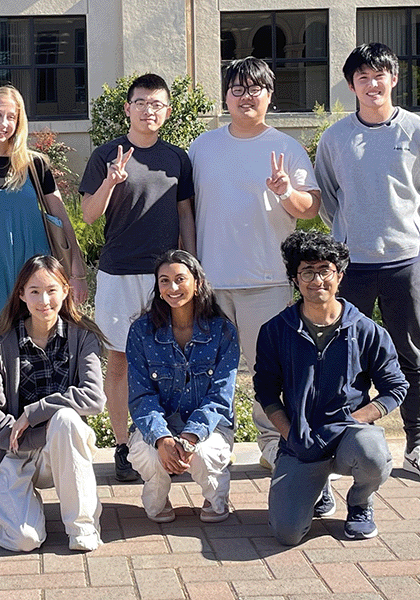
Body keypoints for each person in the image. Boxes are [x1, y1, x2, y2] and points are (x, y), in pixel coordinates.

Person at [189, 57, 321, 470]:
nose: (246, 97)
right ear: (226, 96)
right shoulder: (202, 147)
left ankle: (272, 442)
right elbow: (186, 209)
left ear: (270, 95)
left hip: (267, 278)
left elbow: (311, 208)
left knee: (272, 370)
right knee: (210, 372)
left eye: (255, 89)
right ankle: (215, 443)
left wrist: (286, 192)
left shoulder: (286, 146)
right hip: (211, 280)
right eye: (238, 89)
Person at [255, 230, 407, 545]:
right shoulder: (275, 331)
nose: (317, 279)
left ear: (339, 275)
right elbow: (266, 390)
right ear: (295, 279)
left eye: (325, 269)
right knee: (286, 533)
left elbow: (395, 387)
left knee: (373, 453)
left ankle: (361, 502)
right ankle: (317, 487)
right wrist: (289, 434)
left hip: (349, 436)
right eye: (307, 271)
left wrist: (357, 420)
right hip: (301, 440)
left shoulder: (367, 331)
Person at [80, 73, 196, 482]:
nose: (150, 110)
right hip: (118, 273)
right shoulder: (105, 155)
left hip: (166, 278)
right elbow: (88, 215)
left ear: (167, 111)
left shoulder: (178, 158)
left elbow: (185, 215)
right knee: (120, 363)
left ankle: (166, 441)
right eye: (142, 102)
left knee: (170, 360)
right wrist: (111, 181)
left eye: (158, 104)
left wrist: (191, 267)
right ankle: (124, 446)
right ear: (128, 108)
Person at [315, 42, 420, 476]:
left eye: (379, 75)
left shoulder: (414, 130)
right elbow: (327, 197)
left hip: (406, 259)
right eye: (362, 77)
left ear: (394, 78)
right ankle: (348, 437)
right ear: (351, 85)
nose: (371, 84)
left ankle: (417, 440)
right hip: (352, 264)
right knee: (344, 352)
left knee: (410, 352)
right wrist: (348, 237)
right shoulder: (336, 137)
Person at [0, 255, 105, 552]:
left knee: (67, 420)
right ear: (21, 295)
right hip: (11, 449)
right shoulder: (0, 343)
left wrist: (35, 412)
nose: (43, 299)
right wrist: (29, 433)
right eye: (34, 291)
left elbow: (94, 397)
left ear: (66, 290)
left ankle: (82, 526)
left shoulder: (83, 337)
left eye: (51, 290)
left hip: (59, 446)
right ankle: (15, 508)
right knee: (24, 540)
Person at [0, 86, 87, 356]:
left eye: (11, 117)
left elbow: (61, 219)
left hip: (35, 277)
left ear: (19, 121)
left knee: (42, 352)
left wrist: (77, 272)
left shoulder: (35, 165)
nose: (3, 123)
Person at [126, 250, 238, 523]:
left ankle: (216, 495)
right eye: (164, 281)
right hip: (159, 422)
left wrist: (191, 436)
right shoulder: (142, 331)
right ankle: (157, 494)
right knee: (148, 453)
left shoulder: (223, 331)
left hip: (209, 426)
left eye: (180, 279)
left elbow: (220, 397)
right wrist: (162, 438)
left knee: (201, 453)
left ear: (197, 282)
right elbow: (141, 396)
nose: (172, 288)